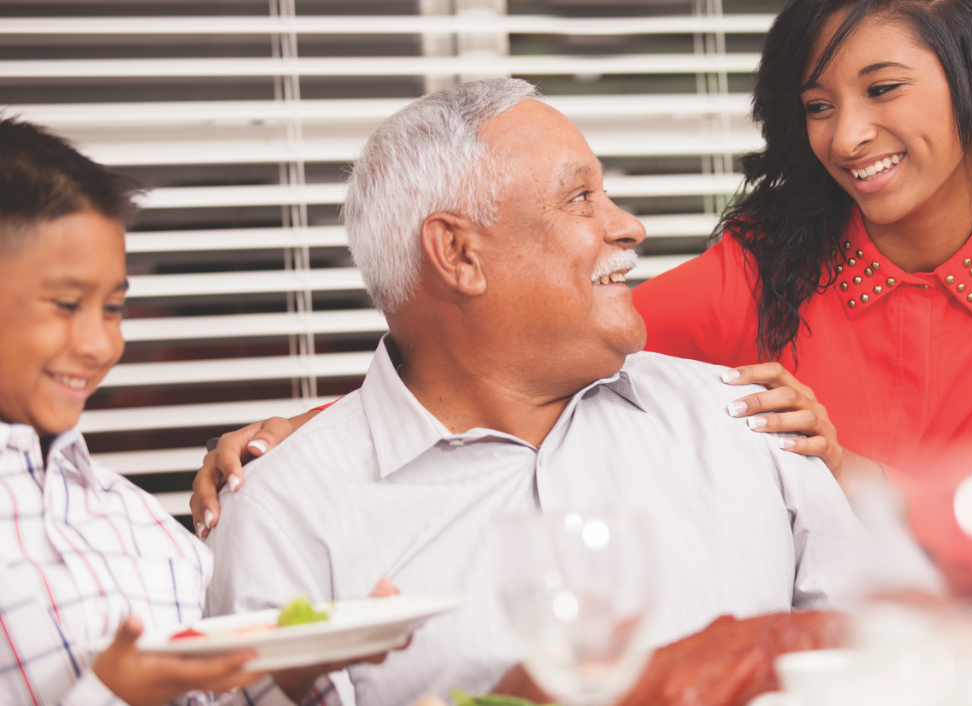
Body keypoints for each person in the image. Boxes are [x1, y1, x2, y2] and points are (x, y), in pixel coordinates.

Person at [201, 79, 892, 706]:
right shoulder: (283, 512)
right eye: (579, 197)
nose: (628, 227)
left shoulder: (749, 420)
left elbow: (893, 670)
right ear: (459, 255)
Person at [630, 0, 972, 557]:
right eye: (818, 105)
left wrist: (849, 474)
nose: (846, 139)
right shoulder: (758, 273)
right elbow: (572, 352)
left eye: (882, 89)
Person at [0, 116, 402, 706]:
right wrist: (114, 693)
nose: (100, 343)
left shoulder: (148, 534)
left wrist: (289, 673)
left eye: (112, 308)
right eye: (66, 303)